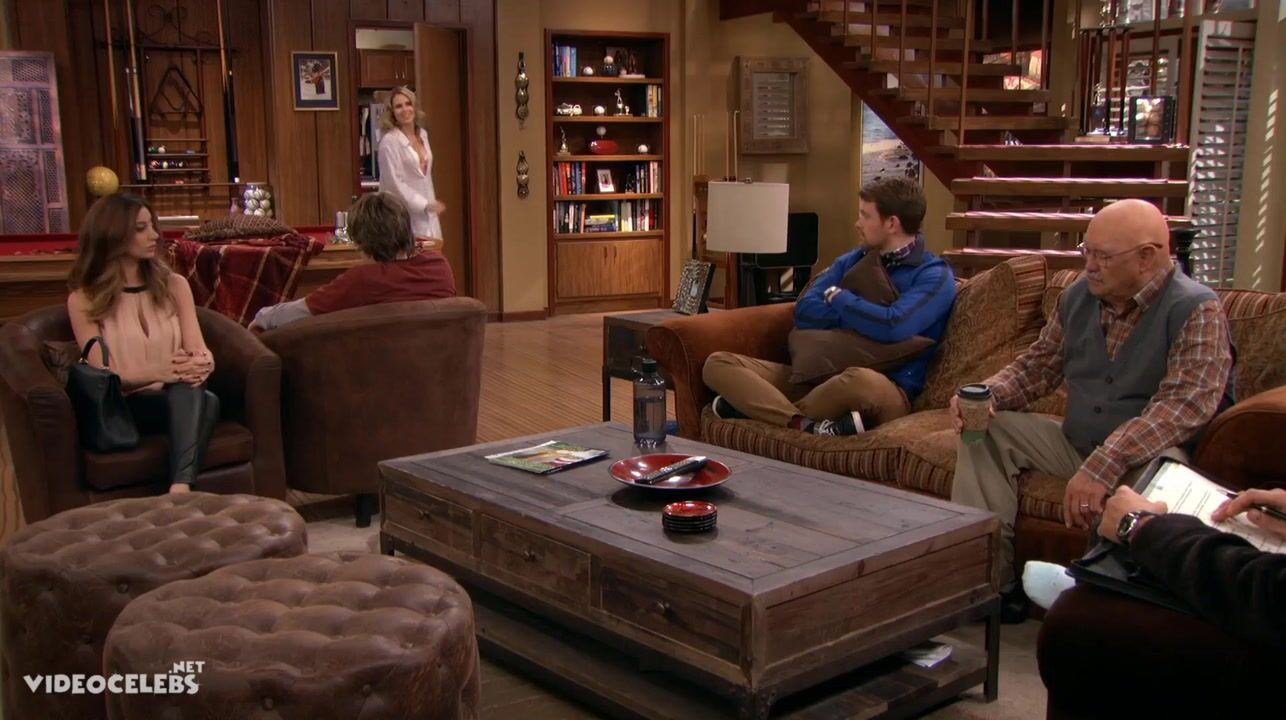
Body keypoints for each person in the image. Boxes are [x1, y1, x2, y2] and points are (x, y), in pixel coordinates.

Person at [948, 199, 1235, 622]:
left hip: (1147, 457)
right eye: (1087, 252)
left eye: (1103, 256)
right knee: (985, 431)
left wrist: (1104, 464)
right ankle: (989, 585)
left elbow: (1183, 406)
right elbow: (1039, 366)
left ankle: (1097, 609)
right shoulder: (1077, 296)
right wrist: (987, 396)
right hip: (1077, 441)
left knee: (1154, 486)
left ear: (1147, 257)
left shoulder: (1196, 309)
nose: (1090, 266)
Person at [702, 176, 957, 436]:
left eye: (865, 215)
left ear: (892, 223)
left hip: (885, 387)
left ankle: (753, 408)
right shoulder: (853, 260)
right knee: (718, 364)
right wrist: (861, 319)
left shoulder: (934, 275)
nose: (857, 223)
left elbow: (893, 325)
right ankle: (804, 424)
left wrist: (841, 299)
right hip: (817, 376)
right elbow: (804, 309)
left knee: (860, 380)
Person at [67, 193, 217, 493]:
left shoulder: (175, 285)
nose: (154, 235)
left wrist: (202, 363)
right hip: (124, 408)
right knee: (207, 401)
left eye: (152, 226)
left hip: (175, 397)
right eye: (140, 228)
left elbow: (198, 349)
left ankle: (180, 487)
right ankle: (181, 486)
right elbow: (104, 379)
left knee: (197, 393)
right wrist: (161, 372)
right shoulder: (84, 299)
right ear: (113, 235)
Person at [250, 191, 456, 331]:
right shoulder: (438, 266)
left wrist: (262, 316)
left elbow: (294, 313)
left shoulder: (363, 279)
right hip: (437, 371)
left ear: (361, 241)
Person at [378, 85, 446, 242]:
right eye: (398, 106)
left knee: (433, 253)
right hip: (402, 217)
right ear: (392, 113)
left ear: (414, 106)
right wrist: (424, 204)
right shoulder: (389, 142)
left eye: (408, 104)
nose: (405, 109)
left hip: (429, 216)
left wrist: (429, 205)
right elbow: (394, 183)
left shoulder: (423, 135)